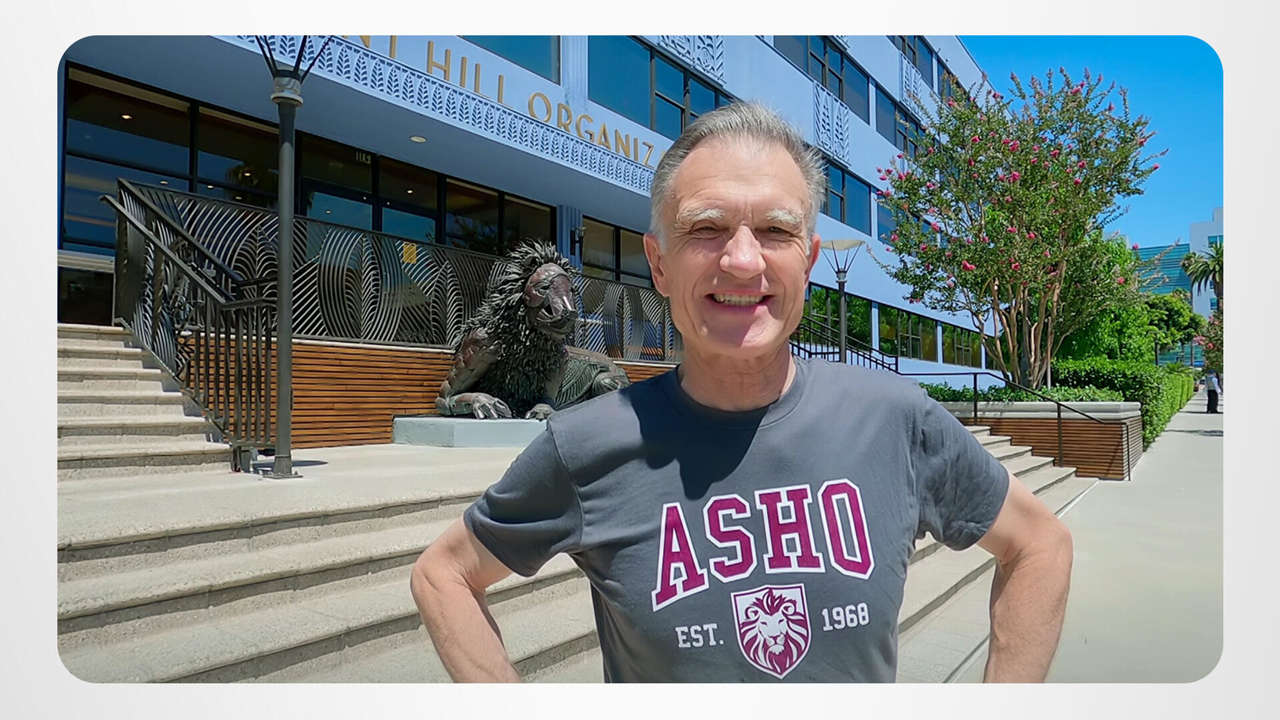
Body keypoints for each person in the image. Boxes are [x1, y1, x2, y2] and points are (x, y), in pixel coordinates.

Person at [410, 102, 1073, 683]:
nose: (743, 260)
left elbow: (1040, 545)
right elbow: (444, 575)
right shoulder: (586, 445)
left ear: (808, 261)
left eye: (776, 231)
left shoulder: (895, 420)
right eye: (706, 228)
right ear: (660, 264)